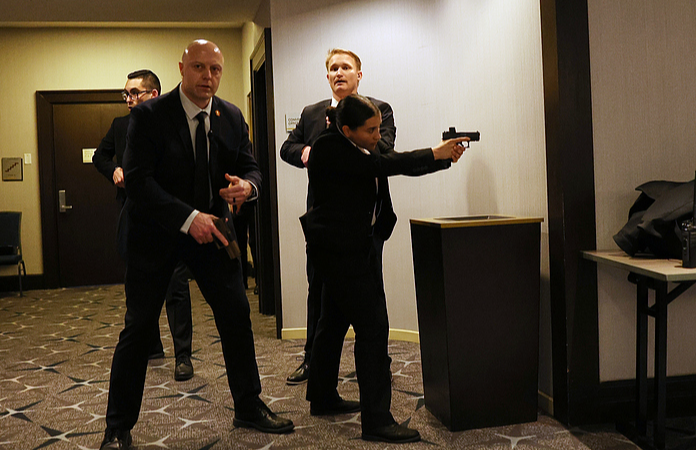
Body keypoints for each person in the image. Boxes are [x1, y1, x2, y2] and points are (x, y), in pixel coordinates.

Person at [99, 40, 294, 450]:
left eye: (216, 69)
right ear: (182, 68)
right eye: (200, 67)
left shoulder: (231, 115)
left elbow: (251, 167)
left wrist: (248, 187)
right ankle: (117, 427)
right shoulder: (150, 115)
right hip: (154, 233)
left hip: (213, 234)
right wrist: (189, 219)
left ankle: (248, 405)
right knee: (139, 328)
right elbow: (138, 182)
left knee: (236, 315)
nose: (208, 77)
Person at [300, 94, 467, 443]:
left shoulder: (355, 145)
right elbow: (384, 165)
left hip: (346, 248)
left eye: (379, 128)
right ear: (347, 129)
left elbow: (390, 162)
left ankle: (323, 396)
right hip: (342, 252)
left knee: (332, 322)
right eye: (371, 130)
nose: (379, 136)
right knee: (374, 329)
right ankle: (377, 420)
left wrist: (442, 159)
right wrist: (433, 153)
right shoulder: (328, 147)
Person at [280, 48, 450, 385]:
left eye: (345, 67)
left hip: (368, 224)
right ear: (327, 76)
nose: (338, 73)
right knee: (324, 299)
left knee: (366, 304)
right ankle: (315, 364)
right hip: (328, 228)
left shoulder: (378, 109)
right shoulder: (313, 116)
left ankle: (369, 365)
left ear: (359, 75)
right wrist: (308, 151)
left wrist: (436, 156)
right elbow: (289, 148)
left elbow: (382, 153)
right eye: (333, 68)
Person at [92, 69, 195, 382]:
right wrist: (113, 170)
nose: (128, 99)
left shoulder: (174, 124)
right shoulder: (120, 125)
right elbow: (99, 156)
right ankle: (151, 346)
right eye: (126, 94)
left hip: (170, 217)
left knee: (176, 287)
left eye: (134, 93)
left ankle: (183, 356)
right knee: (137, 288)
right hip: (135, 216)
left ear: (154, 95)